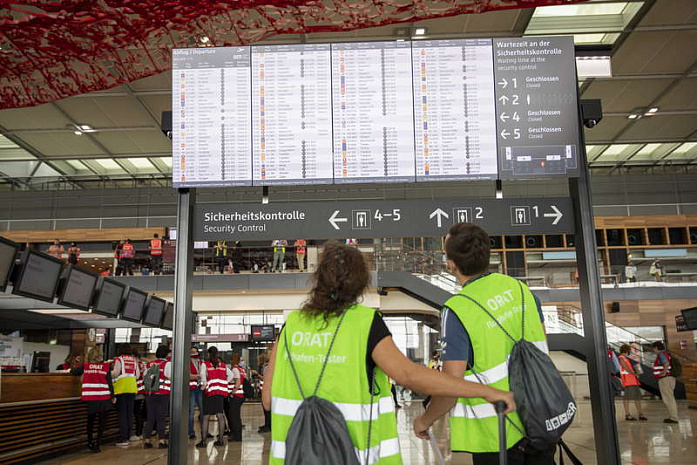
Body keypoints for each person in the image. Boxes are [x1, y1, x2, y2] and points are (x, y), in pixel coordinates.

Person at [262, 241, 515, 465]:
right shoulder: (363, 323)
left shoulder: (291, 325)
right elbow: (408, 374)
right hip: (354, 454)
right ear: (360, 282)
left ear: (318, 280)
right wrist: (486, 391)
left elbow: (268, 400)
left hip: (294, 455)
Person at [415, 223, 551, 464]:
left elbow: (451, 386)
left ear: (451, 264)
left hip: (497, 431)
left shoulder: (457, 310)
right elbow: (541, 345)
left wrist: (426, 419)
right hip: (541, 418)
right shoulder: (521, 290)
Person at [71, 347, 113, 453]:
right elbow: (109, 383)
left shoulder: (86, 366)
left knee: (90, 421)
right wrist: (113, 396)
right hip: (104, 397)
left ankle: (90, 442)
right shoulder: (106, 367)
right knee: (101, 423)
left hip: (91, 398)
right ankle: (98, 444)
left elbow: (73, 372)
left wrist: (76, 363)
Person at [197, 346, 234, 447]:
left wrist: (205, 384)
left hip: (209, 393)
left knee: (206, 416)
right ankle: (221, 440)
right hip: (220, 393)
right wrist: (224, 382)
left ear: (208, 354)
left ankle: (203, 441)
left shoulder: (205, 365)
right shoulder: (223, 365)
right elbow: (231, 375)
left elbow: (202, 376)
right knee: (220, 415)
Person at [111, 344, 140, 447]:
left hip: (121, 389)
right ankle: (128, 435)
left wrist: (108, 373)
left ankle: (123, 438)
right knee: (129, 413)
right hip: (132, 388)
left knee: (122, 414)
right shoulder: (133, 360)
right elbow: (137, 375)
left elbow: (115, 373)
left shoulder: (119, 359)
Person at [143, 345, 171, 449]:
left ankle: (147, 440)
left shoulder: (149, 364)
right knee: (161, 418)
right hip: (163, 394)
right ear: (167, 354)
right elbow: (171, 376)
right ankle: (162, 440)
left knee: (150, 417)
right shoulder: (167, 364)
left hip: (150, 394)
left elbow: (145, 377)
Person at [652, 341, 678, 424]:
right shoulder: (666, 353)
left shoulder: (661, 354)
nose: (653, 350)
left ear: (656, 347)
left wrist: (663, 372)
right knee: (670, 398)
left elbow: (666, 363)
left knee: (668, 399)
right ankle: (673, 416)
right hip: (669, 379)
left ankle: (674, 418)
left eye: (653, 348)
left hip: (665, 379)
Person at [618, 344, 646, 421]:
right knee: (627, 398)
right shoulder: (621, 358)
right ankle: (627, 414)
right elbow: (626, 368)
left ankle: (640, 413)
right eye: (629, 350)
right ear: (626, 350)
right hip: (628, 381)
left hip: (633, 380)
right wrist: (635, 374)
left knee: (637, 397)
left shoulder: (626, 358)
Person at [226, 353, 244, 442]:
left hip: (236, 395)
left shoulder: (235, 369)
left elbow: (237, 383)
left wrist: (232, 393)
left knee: (234, 416)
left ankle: (236, 436)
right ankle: (238, 435)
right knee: (236, 416)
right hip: (241, 395)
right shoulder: (241, 369)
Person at [188, 346, 204, 440]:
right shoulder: (187, 362)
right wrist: (198, 376)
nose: (194, 353)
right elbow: (188, 375)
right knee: (191, 412)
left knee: (203, 411)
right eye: (192, 352)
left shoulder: (201, 362)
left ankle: (204, 430)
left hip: (200, 388)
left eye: (195, 351)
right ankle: (191, 432)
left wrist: (197, 376)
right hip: (191, 389)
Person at [257, 352, 272, 433]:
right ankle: (267, 424)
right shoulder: (268, 366)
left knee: (266, 409)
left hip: (266, 390)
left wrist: (257, 374)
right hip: (267, 390)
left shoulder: (266, 367)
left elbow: (266, 378)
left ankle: (268, 425)